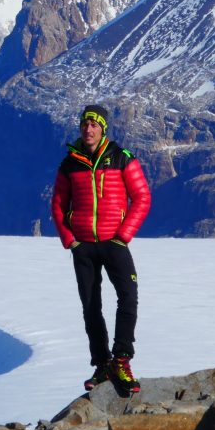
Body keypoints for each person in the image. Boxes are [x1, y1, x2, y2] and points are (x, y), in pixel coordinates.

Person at [51, 104, 151, 393]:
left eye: (94, 125)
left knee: (128, 298)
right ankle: (102, 364)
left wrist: (124, 234)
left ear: (103, 128)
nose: (89, 129)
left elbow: (142, 197)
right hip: (84, 247)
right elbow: (58, 204)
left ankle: (122, 359)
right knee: (91, 306)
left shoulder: (122, 158)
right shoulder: (70, 163)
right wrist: (70, 240)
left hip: (114, 242)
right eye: (85, 124)